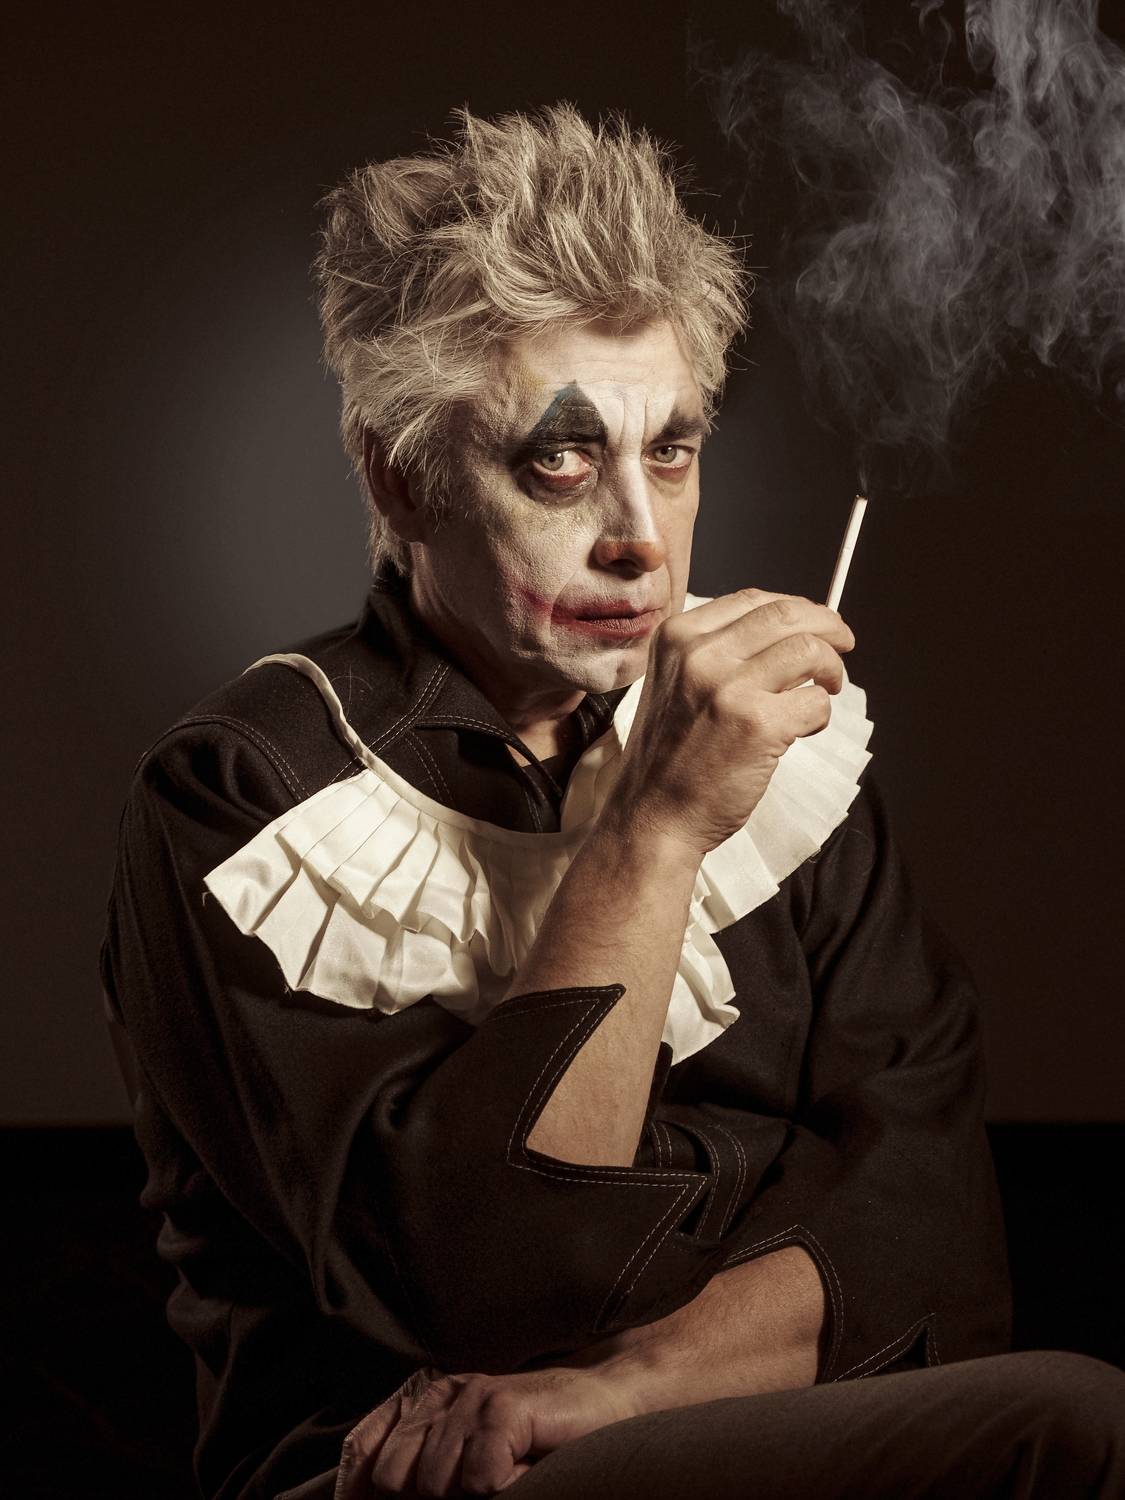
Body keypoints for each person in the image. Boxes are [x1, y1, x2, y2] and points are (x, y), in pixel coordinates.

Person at [100, 104, 1125, 1500]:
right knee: (1074, 1432)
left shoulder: (782, 750)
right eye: (561, 459)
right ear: (400, 475)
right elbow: (489, 1289)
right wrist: (653, 829)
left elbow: (930, 1230)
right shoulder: (240, 794)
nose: (641, 538)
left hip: (719, 1422)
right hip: (413, 1477)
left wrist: (622, 1390)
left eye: (673, 451)